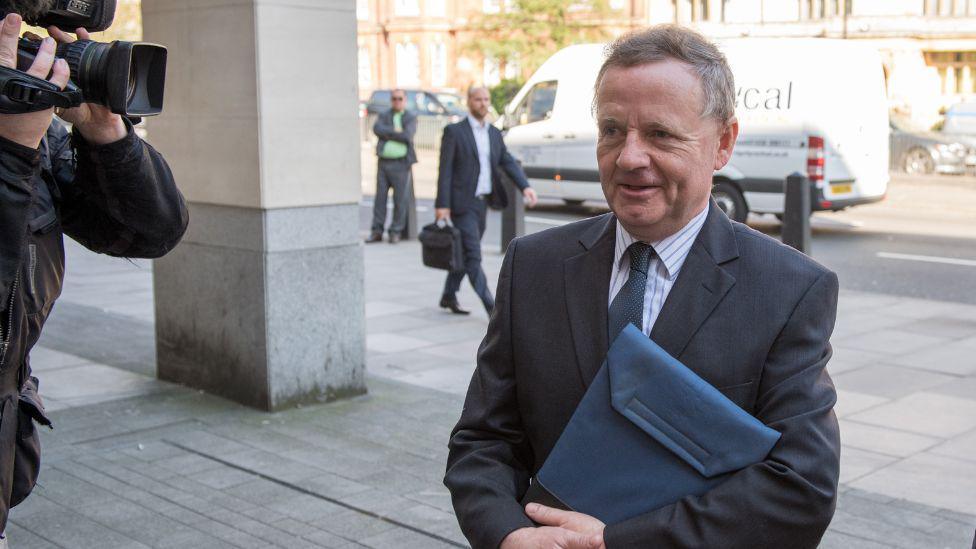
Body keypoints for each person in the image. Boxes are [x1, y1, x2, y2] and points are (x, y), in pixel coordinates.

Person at [444, 25, 840, 549]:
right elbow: (483, 441)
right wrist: (508, 533)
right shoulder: (533, 266)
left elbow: (800, 488)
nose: (629, 157)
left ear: (722, 143)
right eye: (612, 130)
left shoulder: (788, 289)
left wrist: (616, 542)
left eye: (660, 134)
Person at [0, 13, 187, 542]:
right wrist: (10, 154)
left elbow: (153, 231)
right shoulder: (17, 139)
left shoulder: (37, 134)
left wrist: (104, 130)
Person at [434, 86, 538, 315]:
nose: (483, 103)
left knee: (464, 251)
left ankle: (448, 295)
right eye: (478, 99)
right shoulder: (454, 132)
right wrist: (442, 205)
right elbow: (445, 171)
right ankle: (493, 310)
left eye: (486, 99)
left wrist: (525, 186)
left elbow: (507, 161)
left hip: (481, 204)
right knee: (473, 255)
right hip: (461, 204)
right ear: (469, 102)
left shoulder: (493, 133)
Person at [367, 89, 417, 244]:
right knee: (380, 199)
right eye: (394, 99)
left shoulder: (410, 117)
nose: (397, 101)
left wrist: (387, 133)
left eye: (399, 99)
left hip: (401, 163)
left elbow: (407, 135)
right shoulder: (385, 115)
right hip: (384, 162)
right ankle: (377, 231)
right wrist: (395, 131)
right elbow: (377, 129)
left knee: (400, 200)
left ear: (404, 100)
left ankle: (395, 231)